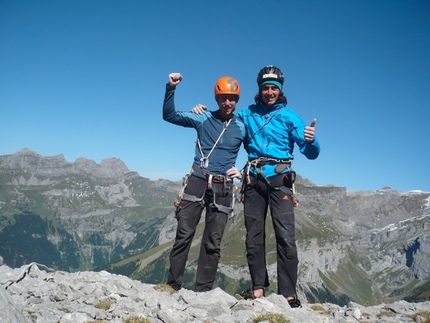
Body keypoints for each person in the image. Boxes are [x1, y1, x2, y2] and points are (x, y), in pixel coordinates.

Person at [192, 65, 320, 308]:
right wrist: (203, 112)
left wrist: (313, 142)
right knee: (254, 236)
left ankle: (288, 295)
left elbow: (311, 153)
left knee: (285, 237)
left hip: (280, 180)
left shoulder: (291, 117)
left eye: (274, 88)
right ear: (260, 90)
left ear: (279, 91)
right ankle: (258, 289)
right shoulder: (247, 114)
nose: (269, 92)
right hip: (252, 180)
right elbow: (224, 119)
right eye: (265, 88)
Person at [163, 72, 245, 292]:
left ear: (237, 100)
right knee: (184, 235)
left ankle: (204, 292)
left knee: (212, 242)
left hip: (224, 186)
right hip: (198, 180)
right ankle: (172, 286)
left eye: (232, 98)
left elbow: (258, 151)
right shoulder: (203, 117)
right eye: (223, 98)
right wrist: (171, 88)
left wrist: (244, 171)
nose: (227, 102)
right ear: (216, 99)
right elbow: (169, 115)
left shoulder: (242, 126)